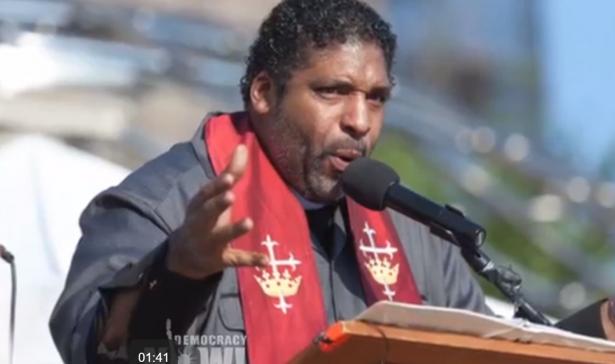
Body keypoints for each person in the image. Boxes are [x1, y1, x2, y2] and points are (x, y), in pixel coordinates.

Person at [49, 1, 615, 363]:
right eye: (331, 92)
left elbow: (479, 358)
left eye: (377, 98)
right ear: (264, 93)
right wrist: (178, 273)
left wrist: (599, 326)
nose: (360, 121)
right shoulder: (161, 204)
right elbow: (95, 351)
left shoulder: (417, 234)